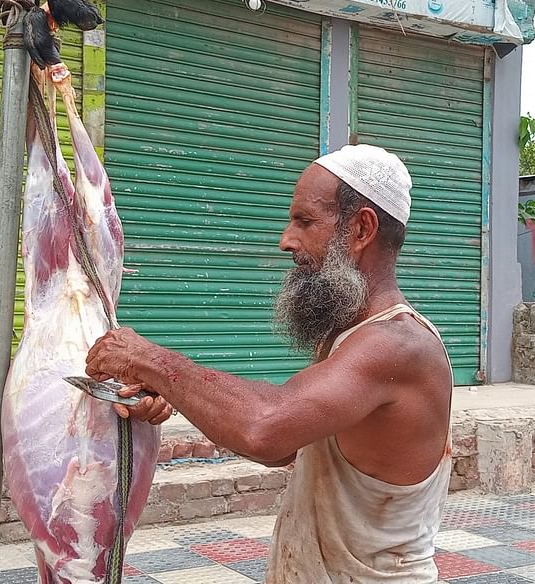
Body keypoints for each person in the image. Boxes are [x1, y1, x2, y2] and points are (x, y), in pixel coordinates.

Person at [87, 144, 454, 583]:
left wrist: (150, 360)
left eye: (304, 221)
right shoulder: (348, 337)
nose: (286, 240)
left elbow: (265, 427)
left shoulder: (399, 345)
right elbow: (282, 448)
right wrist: (169, 392)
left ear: (361, 229)